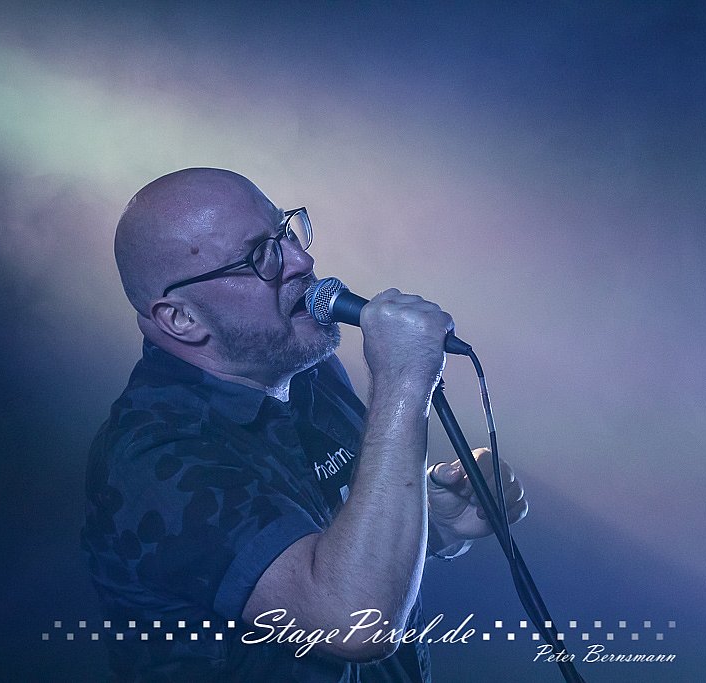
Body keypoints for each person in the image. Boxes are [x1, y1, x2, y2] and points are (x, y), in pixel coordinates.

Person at [82, 168, 528, 682]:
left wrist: (434, 521)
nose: (301, 261)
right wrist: (403, 382)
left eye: (286, 232)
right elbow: (353, 622)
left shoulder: (305, 370)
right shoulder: (153, 459)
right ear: (182, 318)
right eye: (259, 256)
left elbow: (336, 549)